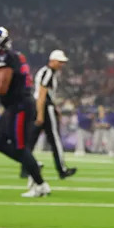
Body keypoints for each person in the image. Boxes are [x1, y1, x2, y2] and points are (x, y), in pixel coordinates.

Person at [0, 26, 50, 197]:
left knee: (20, 147)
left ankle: (41, 185)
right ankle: (33, 165)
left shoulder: (5, 58)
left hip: (20, 106)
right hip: (14, 106)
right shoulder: (15, 56)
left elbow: (1, 88)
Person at [27, 49, 76, 179]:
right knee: (55, 139)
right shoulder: (48, 73)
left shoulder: (47, 72)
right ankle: (62, 169)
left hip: (42, 106)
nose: (61, 65)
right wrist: (41, 114)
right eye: (59, 62)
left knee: (31, 139)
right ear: (52, 61)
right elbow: (42, 94)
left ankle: (26, 167)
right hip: (44, 107)